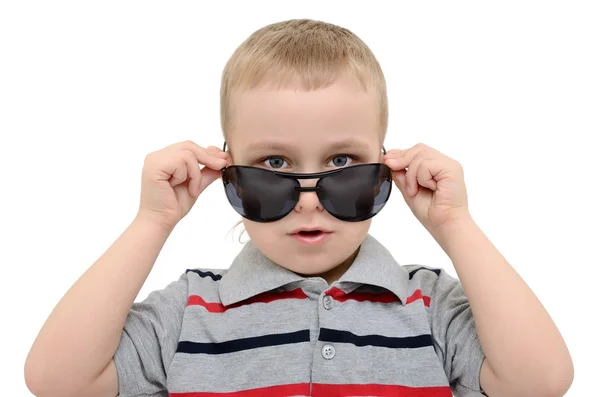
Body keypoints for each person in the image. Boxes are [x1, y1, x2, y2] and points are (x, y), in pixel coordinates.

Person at [24, 19, 573, 397]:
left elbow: (540, 381)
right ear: (225, 168)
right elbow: (58, 381)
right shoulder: (190, 310)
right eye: (274, 165)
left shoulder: (429, 303)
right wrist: (152, 222)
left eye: (342, 163)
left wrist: (456, 226)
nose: (310, 201)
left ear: (387, 166)